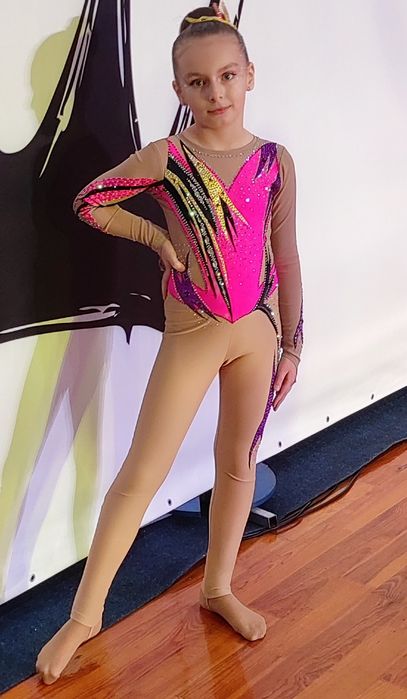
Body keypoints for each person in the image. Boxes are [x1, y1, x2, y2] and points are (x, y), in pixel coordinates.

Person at [36, 1, 303, 685]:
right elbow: (90, 202)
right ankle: (84, 616)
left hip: (257, 334)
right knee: (140, 475)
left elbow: (286, 255)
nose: (216, 93)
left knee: (237, 464)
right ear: (178, 88)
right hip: (193, 334)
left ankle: (219, 585)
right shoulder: (169, 158)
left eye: (227, 76)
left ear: (249, 75)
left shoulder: (274, 162)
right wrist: (154, 236)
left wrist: (293, 345)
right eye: (198, 82)